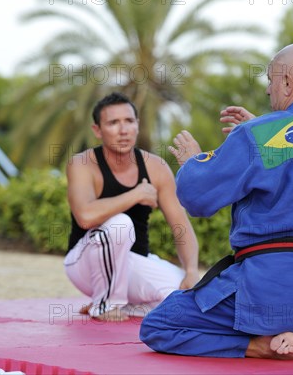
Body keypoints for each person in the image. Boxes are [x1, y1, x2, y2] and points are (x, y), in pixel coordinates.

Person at [140, 43, 293, 359]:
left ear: (287, 82)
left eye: (271, 79)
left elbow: (197, 199)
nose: (267, 88)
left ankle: (259, 345)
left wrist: (195, 160)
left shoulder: (258, 134)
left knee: (159, 324)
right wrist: (267, 128)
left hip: (269, 286)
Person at [64, 92, 200, 322]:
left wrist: (191, 270)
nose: (123, 129)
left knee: (187, 297)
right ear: (97, 130)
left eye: (129, 121)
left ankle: (122, 306)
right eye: (113, 123)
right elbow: (85, 217)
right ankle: (105, 304)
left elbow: (181, 226)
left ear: (137, 124)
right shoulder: (82, 163)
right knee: (120, 224)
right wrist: (136, 194)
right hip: (84, 264)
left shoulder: (156, 167)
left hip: (130, 263)